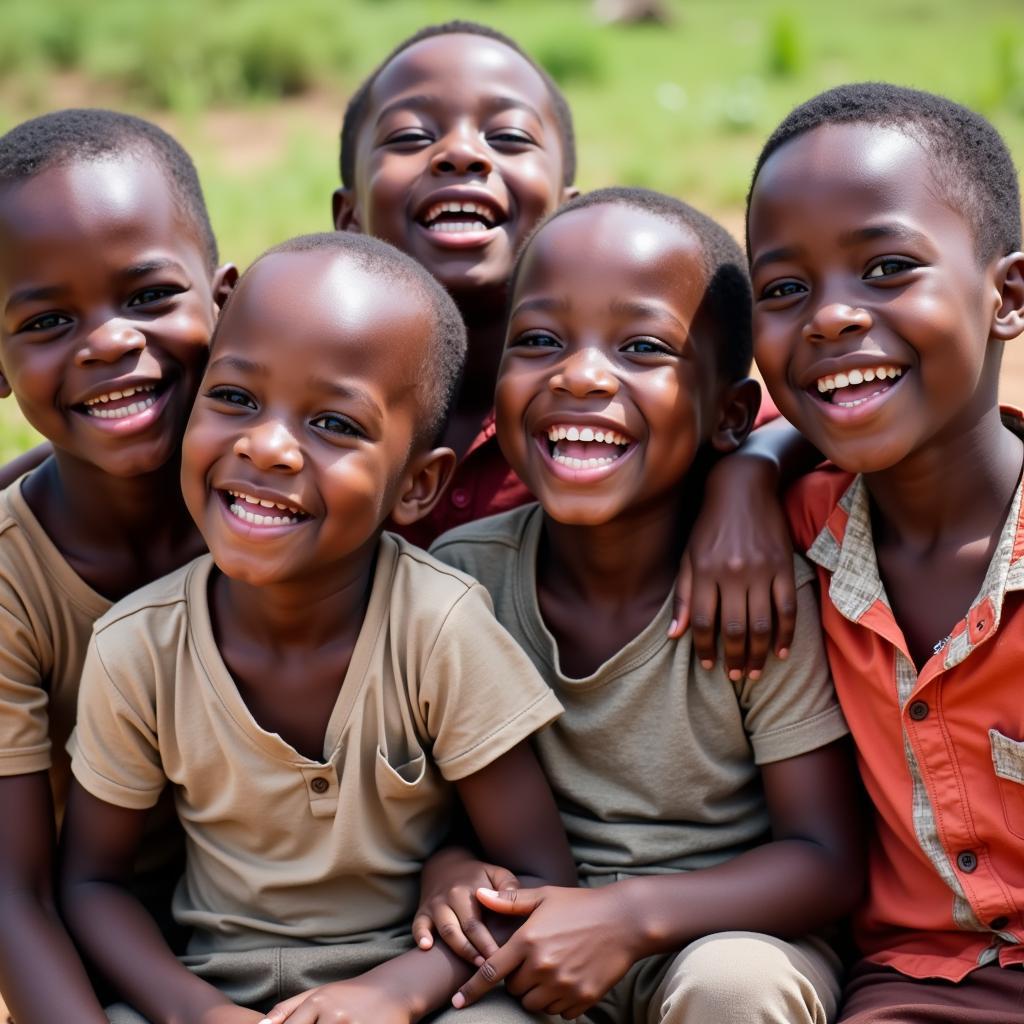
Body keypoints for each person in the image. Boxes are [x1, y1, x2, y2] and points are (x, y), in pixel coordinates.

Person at [60, 232, 576, 1024]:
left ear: (417, 484)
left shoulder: (437, 626)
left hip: (414, 980)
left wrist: (393, 994)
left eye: (334, 424)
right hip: (213, 986)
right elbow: (93, 883)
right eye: (233, 399)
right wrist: (196, 1013)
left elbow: (538, 872)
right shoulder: (138, 647)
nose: (266, 447)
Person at [428, 189, 863, 1023]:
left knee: (734, 990)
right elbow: (429, 818)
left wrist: (625, 919)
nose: (581, 373)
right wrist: (444, 870)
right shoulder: (463, 582)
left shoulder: (760, 588)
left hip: (729, 934)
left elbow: (825, 859)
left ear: (731, 414)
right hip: (534, 942)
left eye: (641, 347)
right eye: (540, 340)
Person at [335, 18, 792, 680]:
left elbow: (782, 423)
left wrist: (749, 480)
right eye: (410, 136)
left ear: (567, 214)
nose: (461, 154)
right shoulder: (312, 375)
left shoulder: (612, 400)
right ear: (348, 217)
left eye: (510, 137)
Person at [745, 83, 1024, 1021]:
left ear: (1007, 296)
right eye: (784, 289)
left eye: (888, 268)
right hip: (914, 990)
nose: (829, 318)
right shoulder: (790, 538)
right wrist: (745, 477)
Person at [0, 108, 237, 1024]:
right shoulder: (16, 580)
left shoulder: (300, 500)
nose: (106, 342)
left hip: (328, 942)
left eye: (145, 297)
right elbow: (14, 898)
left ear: (226, 298)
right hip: (101, 968)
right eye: (51, 319)